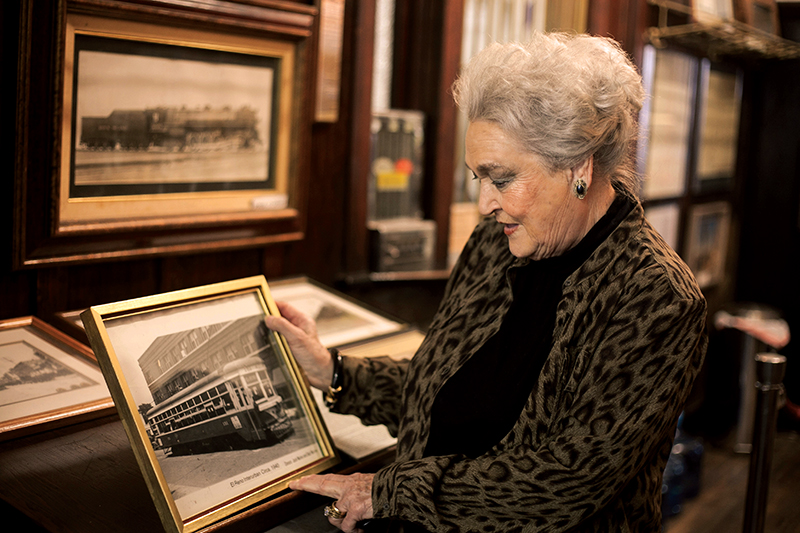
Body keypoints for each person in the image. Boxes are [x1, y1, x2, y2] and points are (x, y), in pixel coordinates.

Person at [264, 31, 708, 533]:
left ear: (578, 168)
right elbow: (443, 391)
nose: (485, 204)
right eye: (479, 179)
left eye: (501, 179)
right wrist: (332, 370)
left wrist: (385, 492)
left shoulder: (656, 298)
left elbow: (565, 485)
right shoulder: (495, 243)